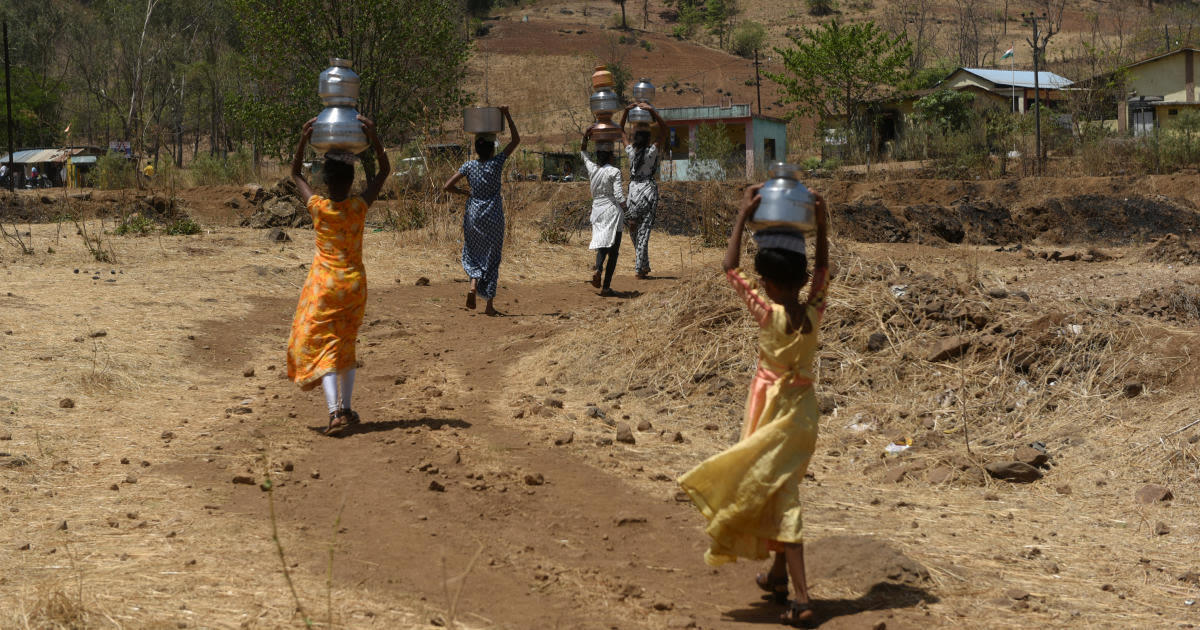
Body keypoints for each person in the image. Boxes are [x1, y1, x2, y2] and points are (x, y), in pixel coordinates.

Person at [677, 184, 830, 627]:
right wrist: (821, 223)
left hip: (770, 414)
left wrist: (743, 215)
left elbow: (729, 268)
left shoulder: (767, 314)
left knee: (781, 497)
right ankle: (779, 578)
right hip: (802, 415)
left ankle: (802, 599)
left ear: (765, 281)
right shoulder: (815, 309)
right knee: (778, 486)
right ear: (803, 281)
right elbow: (823, 266)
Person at [286, 114, 391, 435]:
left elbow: (294, 174)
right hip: (354, 285)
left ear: (327, 181)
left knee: (327, 346)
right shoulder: (359, 207)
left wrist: (304, 139)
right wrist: (373, 136)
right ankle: (345, 407)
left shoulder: (318, 207)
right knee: (346, 343)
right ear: (351, 180)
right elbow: (385, 171)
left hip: (325, 286)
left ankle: (335, 413)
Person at [443, 106, 520, 316]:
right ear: (492, 148)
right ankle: (489, 306)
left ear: (476, 148)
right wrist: (507, 115)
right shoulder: (497, 163)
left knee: (474, 252)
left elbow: (447, 186)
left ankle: (473, 285)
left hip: (474, 214)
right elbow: (515, 141)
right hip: (493, 214)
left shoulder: (469, 166)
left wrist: (465, 193)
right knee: (492, 257)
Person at [619, 102, 668, 278]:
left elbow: (620, 131)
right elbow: (664, 129)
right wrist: (652, 111)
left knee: (632, 226)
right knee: (644, 229)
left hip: (633, 191)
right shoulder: (652, 151)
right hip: (648, 190)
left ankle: (643, 265)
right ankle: (641, 267)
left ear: (634, 139)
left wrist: (626, 111)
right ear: (647, 139)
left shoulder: (630, 151)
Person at [581, 125, 627, 296]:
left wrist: (585, 138)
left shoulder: (593, 170)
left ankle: (598, 269)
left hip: (597, 211)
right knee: (613, 251)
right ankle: (606, 287)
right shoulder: (614, 171)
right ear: (610, 156)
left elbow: (583, 154)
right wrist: (628, 211)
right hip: (612, 211)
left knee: (602, 243)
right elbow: (619, 196)